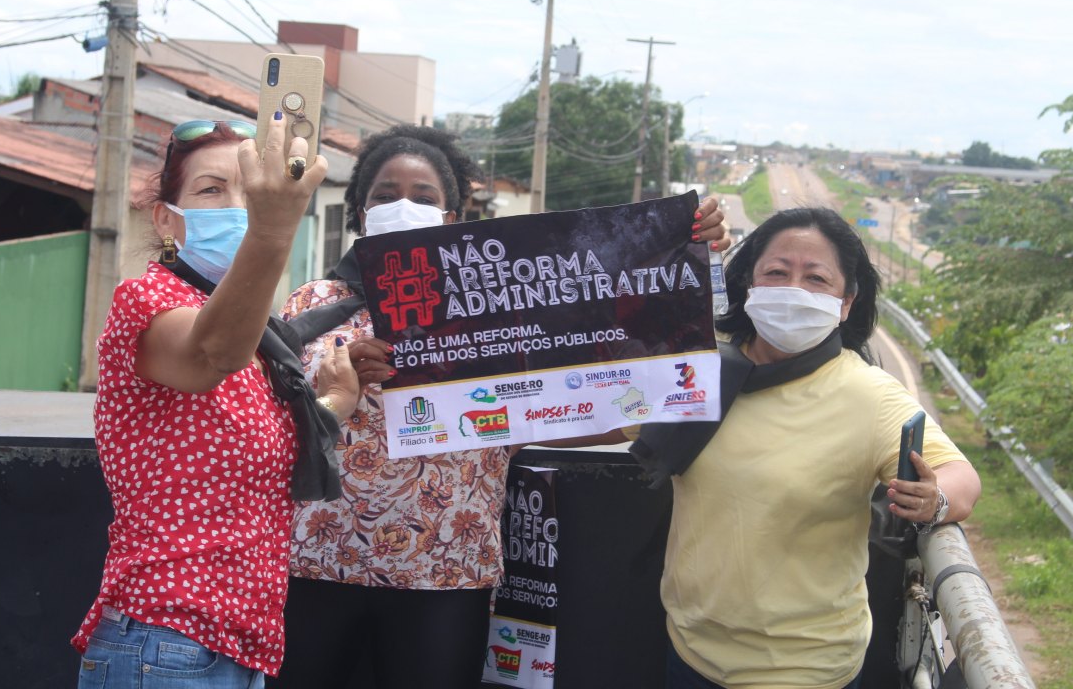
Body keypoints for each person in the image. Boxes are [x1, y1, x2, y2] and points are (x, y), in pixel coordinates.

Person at [270, 123, 729, 688]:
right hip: (315, 562)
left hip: (446, 571)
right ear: (361, 214)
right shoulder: (312, 302)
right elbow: (266, 414)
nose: (403, 207)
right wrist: (336, 383)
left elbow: (565, 394)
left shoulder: (500, 312)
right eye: (385, 197)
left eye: (424, 197)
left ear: (452, 219)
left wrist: (686, 249)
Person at [626, 206, 981, 689]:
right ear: (749, 283)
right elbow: (599, 413)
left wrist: (933, 499)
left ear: (846, 302)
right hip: (690, 653)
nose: (793, 290)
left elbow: (960, 477)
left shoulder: (868, 395)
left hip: (805, 671)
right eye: (776, 272)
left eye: (816, 278)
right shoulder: (699, 375)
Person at [72, 115, 359, 688]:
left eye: (248, 187)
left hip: (233, 647)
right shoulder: (145, 301)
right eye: (211, 189)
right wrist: (271, 230)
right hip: (165, 639)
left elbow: (267, 473)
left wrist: (333, 404)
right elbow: (211, 354)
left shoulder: (262, 342)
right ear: (165, 220)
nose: (239, 202)